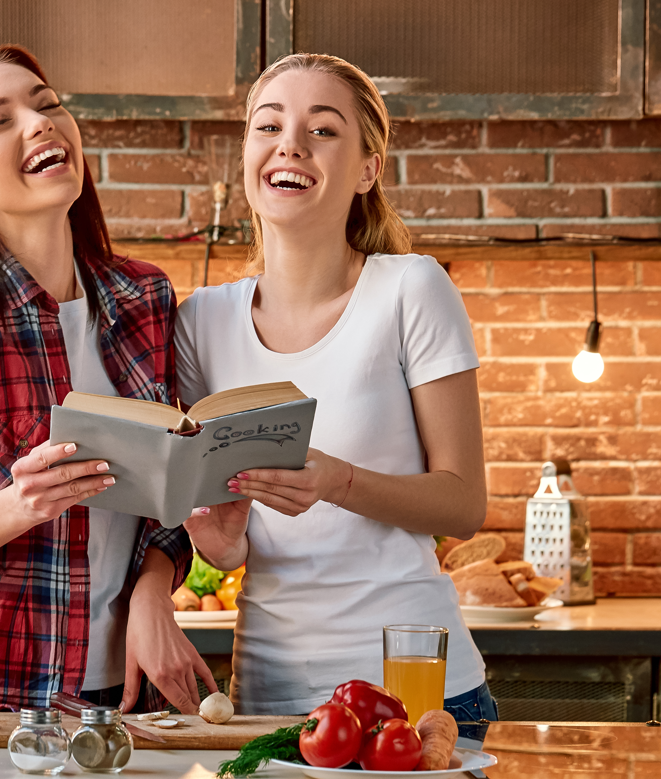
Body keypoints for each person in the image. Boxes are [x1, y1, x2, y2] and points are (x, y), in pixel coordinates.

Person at [0, 45, 215, 714]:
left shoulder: (144, 297)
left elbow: (168, 495)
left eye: (46, 104)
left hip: (131, 695)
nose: (39, 124)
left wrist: (153, 593)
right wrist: (20, 503)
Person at [176, 53, 498, 721]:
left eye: (322, 130)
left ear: (366, 169)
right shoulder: (201, 321)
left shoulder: (411, 290)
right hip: (273, 693)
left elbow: (464, 503)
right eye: (268, 126)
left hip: (413, 694)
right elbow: (229, 536)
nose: (289, 143)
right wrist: (221, 538)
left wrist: (338, 481)